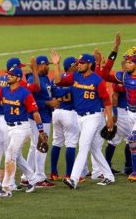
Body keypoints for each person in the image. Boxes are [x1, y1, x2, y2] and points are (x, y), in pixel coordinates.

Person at [51, 52, 115, 189]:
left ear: (90, 64)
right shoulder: (75, 76)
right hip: (81, 118)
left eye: (82, 63)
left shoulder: (97, 80)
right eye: (78, 63)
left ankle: (73, 179)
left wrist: (110, 119)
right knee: (94, 149)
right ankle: (109, 176)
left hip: (94, 118)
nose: (78, 65)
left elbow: (107, 101)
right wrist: (56, 65)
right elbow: (57, 81)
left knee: (83, 147)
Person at [0, 67, 45, 197]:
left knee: (10, 156)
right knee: (16, 156)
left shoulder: (25, 93)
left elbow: (35, 112)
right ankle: (33, 178)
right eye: (8, 74)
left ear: (18, 78)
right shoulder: (4, 90)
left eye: (11, 75)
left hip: (21, 128)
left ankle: (6, 189)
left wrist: (40, 130)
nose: (8, 76)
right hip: (8, 128)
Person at [97, 42, 136, 181]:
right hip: (129, 113)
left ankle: (132, 170)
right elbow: (105, 75)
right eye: (126, 62)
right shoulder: (124, 76)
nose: (126, 65)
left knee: (132, 140)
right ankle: (131, 170)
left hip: (130, 113)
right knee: (131, 141)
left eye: (130, 62)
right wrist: (112, 54)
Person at [22, 56, 57, 188]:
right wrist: (49, 102)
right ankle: (40, 177)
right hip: (39, 117)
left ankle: (26, 176)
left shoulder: (45, 77)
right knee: (41, 145)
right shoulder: (33, 79)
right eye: (46, 65)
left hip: (44, 115)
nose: (48, 67)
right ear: (40, 66)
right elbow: (31, 101)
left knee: (33, 146)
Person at [49, 57, 81, 181]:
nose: (78, 66)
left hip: (56, 113)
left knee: (57, 142)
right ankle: (69, 174)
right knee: (71, 143)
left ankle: (53, 172)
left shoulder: (55, 79)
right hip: (70, 114)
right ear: (71, 67)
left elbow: (52, 95)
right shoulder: (75, 79)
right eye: (76, 65)